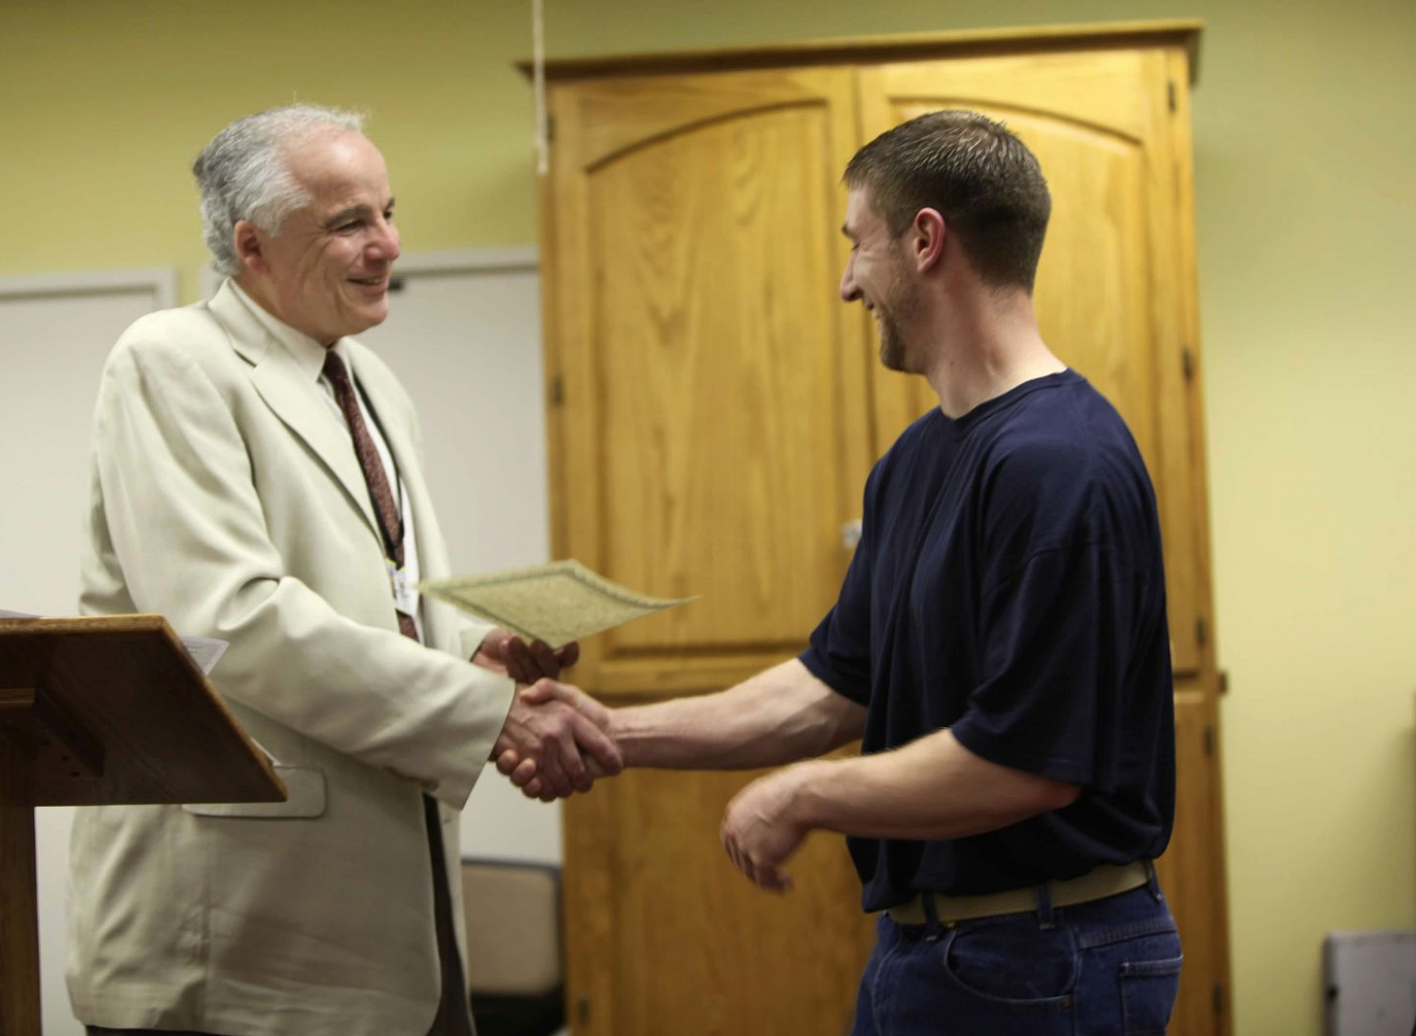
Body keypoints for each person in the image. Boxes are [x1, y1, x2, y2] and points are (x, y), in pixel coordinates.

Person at [506, 110, 1182, 1034]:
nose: (844, 283)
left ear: (925, 238)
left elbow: (1029, 763)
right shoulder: (915, 461)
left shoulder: (1059, 462)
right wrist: (614, 731)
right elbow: (835, 685)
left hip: (1045, 960)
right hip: (931, 957)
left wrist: (804, 791)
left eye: (855, 244)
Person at [68, 104, 619, 1036]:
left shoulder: (371, 384)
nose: (389, 245)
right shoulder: (172, 361)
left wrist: (473, 644)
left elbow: (383, 598)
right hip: (237, 920)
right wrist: (487, 715)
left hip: (393, 901)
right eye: (349, 223)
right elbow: (230, 620)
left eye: (389, 212)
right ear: (252, 244)